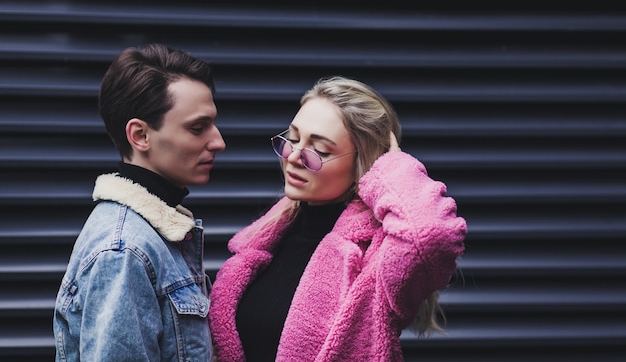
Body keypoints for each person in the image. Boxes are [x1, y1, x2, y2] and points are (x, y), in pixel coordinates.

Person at [209, 76, 467, 362]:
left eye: (318, 150)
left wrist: (394, 167)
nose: (294, 156)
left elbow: (429, 236)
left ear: (363, 162)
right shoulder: (266, 241)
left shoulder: (376, 259)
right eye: (292, 138)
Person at [53, 43, 226, 362]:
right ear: (140, 135)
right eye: (197, 128)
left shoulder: (156, 233)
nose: (218, 142)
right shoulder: (124, 250)